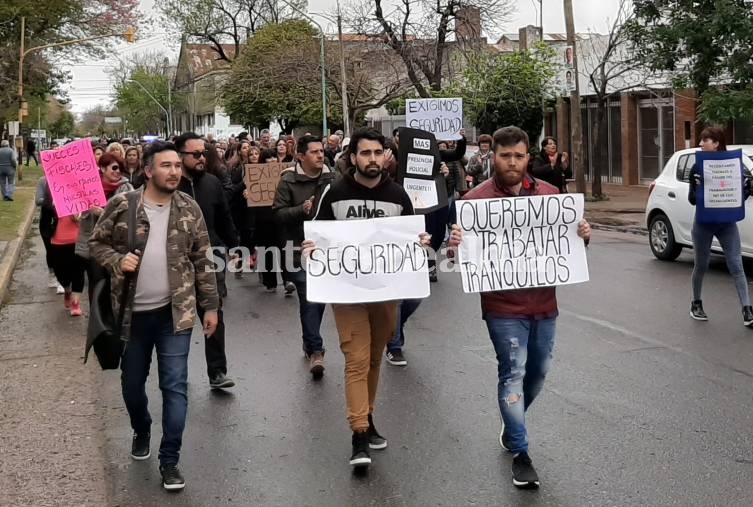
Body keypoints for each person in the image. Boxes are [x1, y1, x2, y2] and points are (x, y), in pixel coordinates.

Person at [447, 126, 591, 489]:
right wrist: (456, 244)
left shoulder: (550, 196)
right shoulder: (474, 202)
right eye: (505, 155)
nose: (512, 162)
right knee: (512, 372)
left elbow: (569, 249)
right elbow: (458, 259)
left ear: (529, 157)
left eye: (519, 156)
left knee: (538, 373)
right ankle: (521, 452)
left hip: (544, 304)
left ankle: (513, 423)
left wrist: (583, 235)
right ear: (492, 156)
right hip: (502, 307)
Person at [89, 141, 219, 491]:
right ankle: (142, 427)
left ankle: (170, 460)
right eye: (167, 165)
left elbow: (203, 261)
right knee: (132, 385)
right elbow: (95, 244)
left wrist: (211, 307)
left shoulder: (189, 209)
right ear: (148, 170)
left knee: (175, 386)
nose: (175, 171)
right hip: (130, 317)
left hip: (174, 316)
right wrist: (118, 261)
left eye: (178, 165)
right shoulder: (123, 204)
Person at [302, 127, 430, 469]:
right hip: (347, 291)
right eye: (365, 153)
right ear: (353, 157)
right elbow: (318, 233)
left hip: (386, 291)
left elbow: (412, 239)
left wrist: (421, 244)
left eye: (377, 153)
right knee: (356, 358)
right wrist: (311, 248)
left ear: (384, 156)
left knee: (374, 357)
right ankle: (358, 434)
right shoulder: (336, 191)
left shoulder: (399, 196)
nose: (372, 159)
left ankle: (368, 416)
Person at [176, 132, 239, 390]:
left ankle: (217, 372)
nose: (202, 158)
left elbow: (224, 217)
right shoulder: (168, 184)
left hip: (211, 259)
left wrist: (235, 246)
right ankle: (177, 372)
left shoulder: (212, 183)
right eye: (196, 154)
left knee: (214, 315)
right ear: (180, 156)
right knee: (179, 319)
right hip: (177, 264)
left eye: (204, 153)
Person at [273, 134, 337, 380]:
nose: (320, 155)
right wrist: (301, 210)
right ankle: (316, 350)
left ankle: (309, 341)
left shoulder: (332, 177)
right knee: (309, 298)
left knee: (319, 301)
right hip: (297, 251)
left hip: (326, 252)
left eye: (322, 151)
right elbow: (277, 215)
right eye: (314, 152)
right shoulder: (288, 180)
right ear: (300, 156)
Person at [687, 126, 753, 325]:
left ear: (716, 143)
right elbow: (692, 199)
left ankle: (747, 310)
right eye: (700, 140)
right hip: (704, 223)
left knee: (736, 265)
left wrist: (748, 187)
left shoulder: (735, 165)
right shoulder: (697, 167)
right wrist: (695, 185)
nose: (700, 144)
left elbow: (742, 195)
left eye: (704, 141)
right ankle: (696, 303)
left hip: (726, 223)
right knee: (701, 264)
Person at [75, 153, 133, 303]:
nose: (118, 171)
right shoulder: (89, 188)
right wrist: (80, 212)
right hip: (95, 246)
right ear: (102, 168)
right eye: (114, 168)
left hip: (118, 247)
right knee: (97, 284)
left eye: (120, 168)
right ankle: (98, 321)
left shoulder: (128, 189)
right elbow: (81, 216)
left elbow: (130, 217)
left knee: (117, 285)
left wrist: (103, 214)